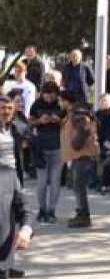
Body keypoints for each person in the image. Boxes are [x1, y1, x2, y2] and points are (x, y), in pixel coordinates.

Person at [0, 95, 33, 279]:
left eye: (8, 108)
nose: (5, 112)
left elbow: (26, 210)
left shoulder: (15, 128)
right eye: (2, 108)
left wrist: (25, 230)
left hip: (11, 184)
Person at [30, 82, 64, 223]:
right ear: (42, 93)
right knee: (42, 182)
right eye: (46, 93)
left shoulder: (61, 104)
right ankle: (42, 209)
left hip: (58, 147)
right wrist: (39, 121)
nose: (49, 96)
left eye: (52, 93)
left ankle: (52, 210)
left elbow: (68, 122)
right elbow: (30, 122)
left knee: (55, 181)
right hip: (41, 147)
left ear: (56, 93)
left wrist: (59, 120)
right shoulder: (36, 104)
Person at [61, 103, 99, 228]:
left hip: (81, 156)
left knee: (79, 187)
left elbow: (82, 133)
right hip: (78, 156)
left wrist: (76, 144)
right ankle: (81, 213)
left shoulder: (79, 116)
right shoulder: (78, 115)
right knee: (77, 187)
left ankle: (83, 216)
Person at [96, 93, 110, 190]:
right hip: (100, 143)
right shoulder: (95, 115)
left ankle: (104, 184)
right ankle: (95, 182)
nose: (103, 103)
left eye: (106, 101)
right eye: (101, 101)